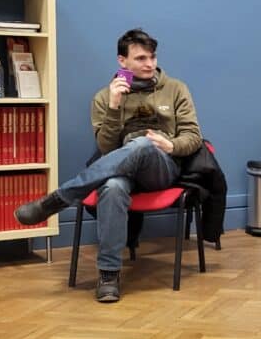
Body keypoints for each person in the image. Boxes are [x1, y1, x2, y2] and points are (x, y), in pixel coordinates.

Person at [15, 28, 203, 303]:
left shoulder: (175, 89)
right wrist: (115, 107)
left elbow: (193, 136)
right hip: (121, 169)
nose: (149, 64)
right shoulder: (104, 97)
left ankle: (59, 198)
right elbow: (107, 149)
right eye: (140, 58)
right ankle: (109, 275)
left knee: (142, 145)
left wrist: (171, 145)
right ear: (122, 61)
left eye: (152, 57)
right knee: (112, 187)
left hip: (162, 168)